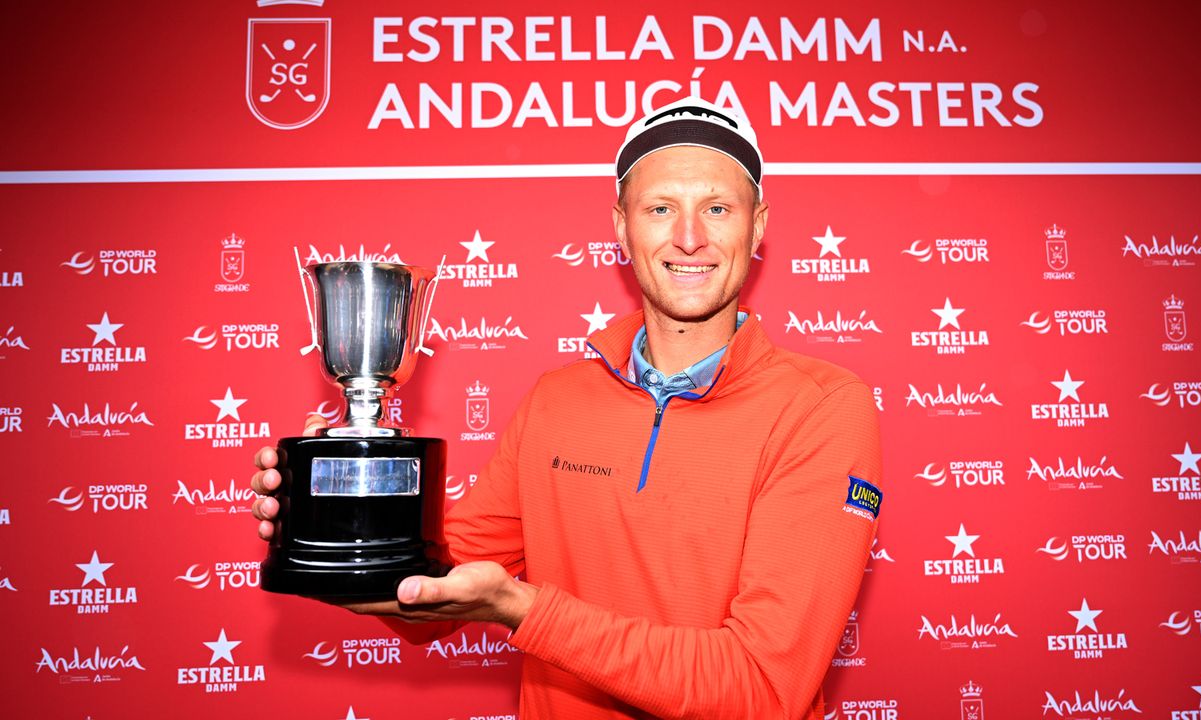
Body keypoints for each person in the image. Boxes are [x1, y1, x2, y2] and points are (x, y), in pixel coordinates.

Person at [251, 96, 884, 719]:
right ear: (620, 227)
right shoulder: (555, 399)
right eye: (661, 208)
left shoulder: (822, 408)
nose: (690, 238)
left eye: (717, 208)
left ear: (759, 224)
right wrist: (331, 521)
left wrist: (525, 611)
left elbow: (760, 690)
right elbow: (428, 593)